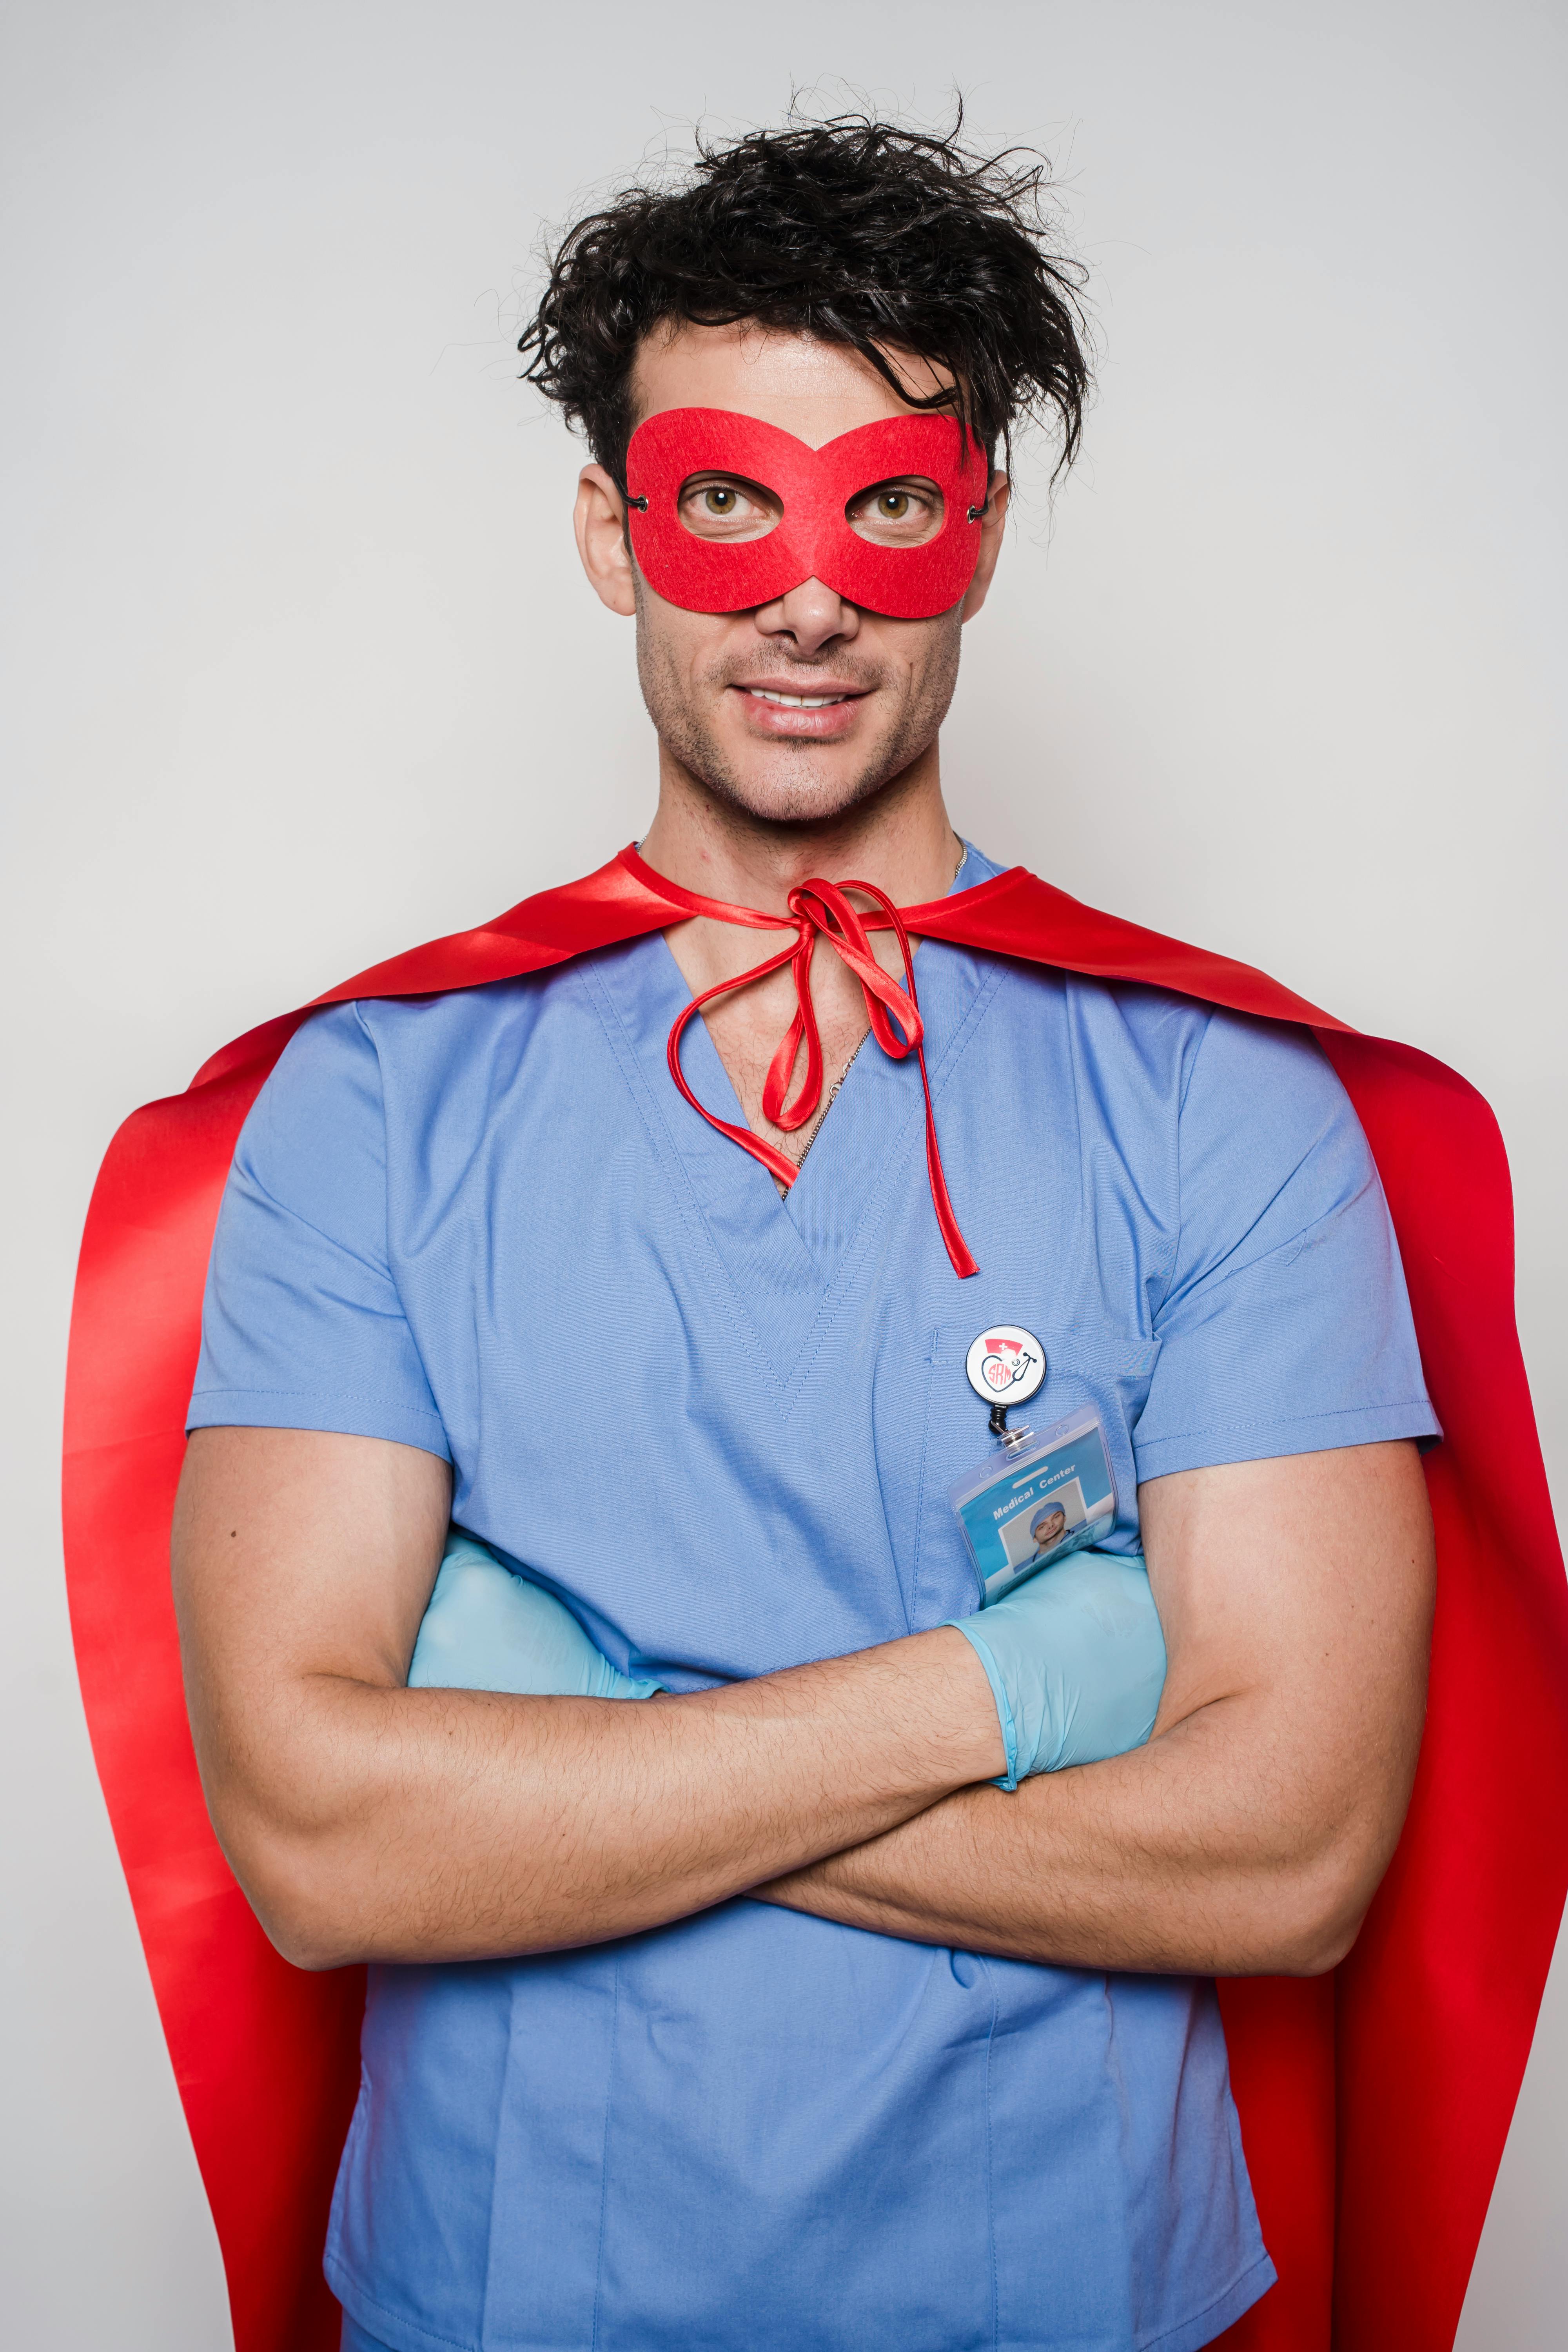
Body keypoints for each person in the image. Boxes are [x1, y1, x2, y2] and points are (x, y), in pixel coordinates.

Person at [63, 113, 1566, 2352]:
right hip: (503, 2298)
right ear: (612, 530)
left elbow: (1289, 1856)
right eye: (724, 502)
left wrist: (561, 1748)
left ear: (973, 544)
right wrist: (1049, 1686)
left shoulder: (1230, 1109)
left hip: (1068, 2298)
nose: (803, 595)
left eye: (890, 510)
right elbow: (317, 1845)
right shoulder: (365, 1110)